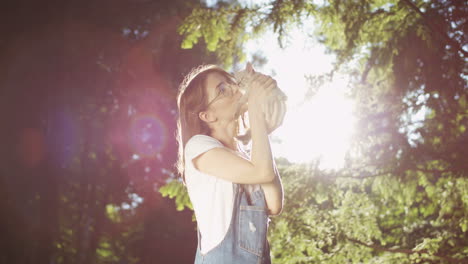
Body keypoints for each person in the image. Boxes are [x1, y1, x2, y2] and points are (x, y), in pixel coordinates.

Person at [175, 64, 286, 263]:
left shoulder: (245, 156)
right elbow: (263, 172)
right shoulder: (198, 147)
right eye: (222, 90)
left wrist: (262, 130)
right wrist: (255, 107)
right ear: (207, 115)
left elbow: (274, 204)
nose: (235, 89)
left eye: (232, 84)